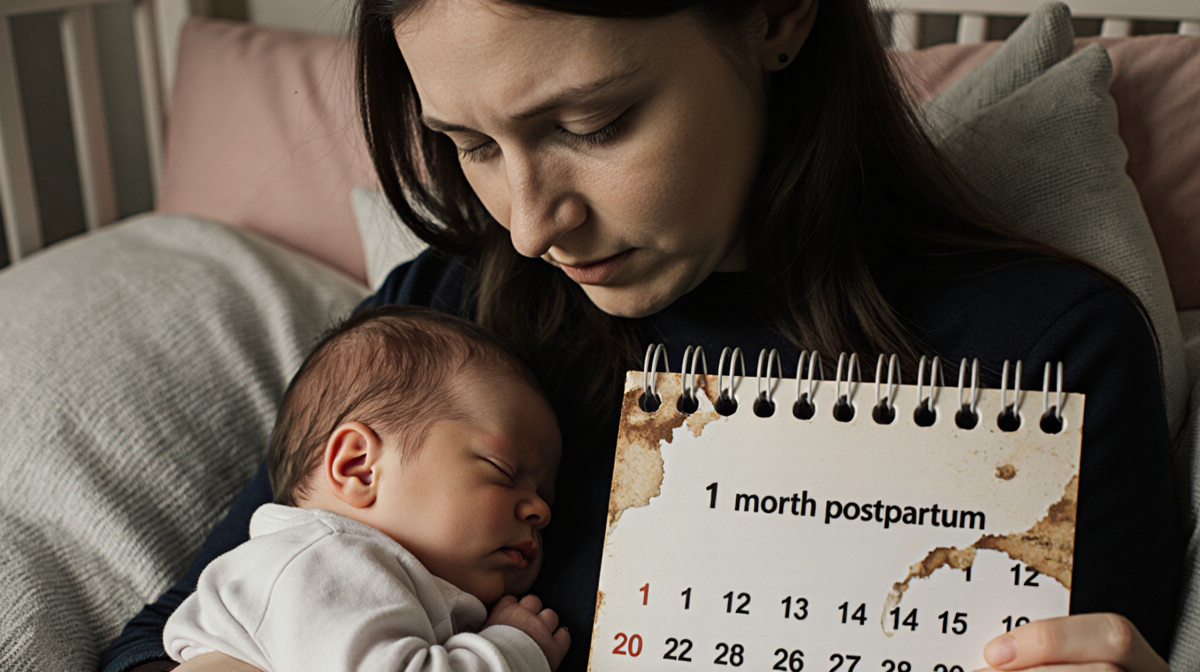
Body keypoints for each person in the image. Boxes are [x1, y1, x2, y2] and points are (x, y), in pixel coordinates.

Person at [101, 2, 1180, 671]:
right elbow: (172, 628)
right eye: (470, 144)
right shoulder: (440, 331)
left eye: (590, 127)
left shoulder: (1050, 350)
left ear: (775, 14)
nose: (528, 225)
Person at [162, 306, 570, 672]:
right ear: (359, 467)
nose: (541, 510)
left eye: (546, 495)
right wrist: (513, 652)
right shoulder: (324, 560)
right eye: (503, 469)